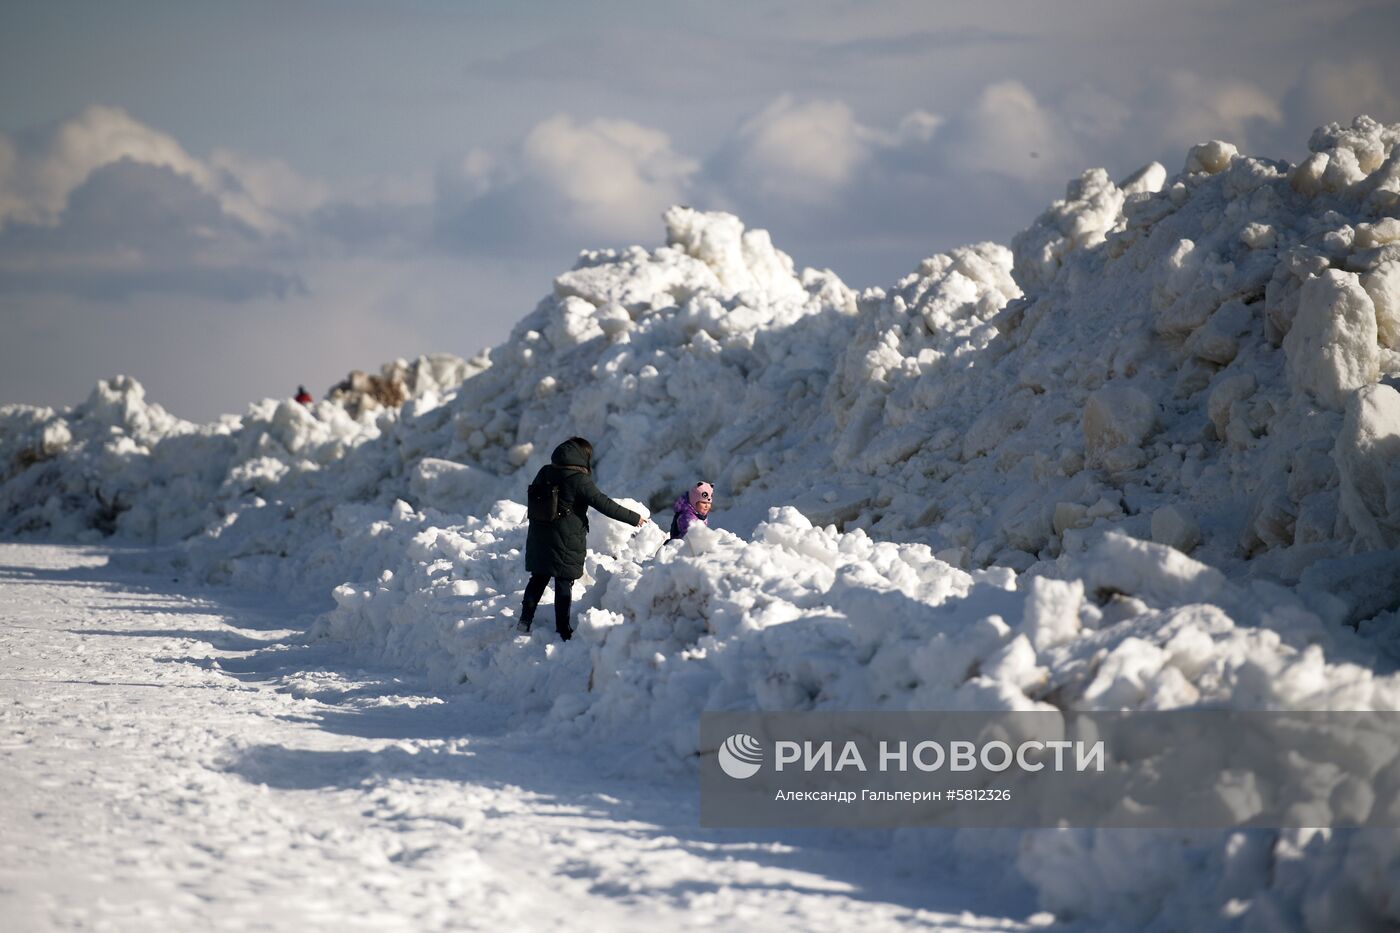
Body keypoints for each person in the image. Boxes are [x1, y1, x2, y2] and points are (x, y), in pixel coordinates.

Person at [521, 437, 648, 640]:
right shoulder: (578, 479)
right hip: (566, 537)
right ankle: (563, 629)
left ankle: (524, 620)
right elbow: (603, 504)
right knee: (563, 582)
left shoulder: (545, 471)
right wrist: (634, 518)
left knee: (538, 577)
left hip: (540, 534)